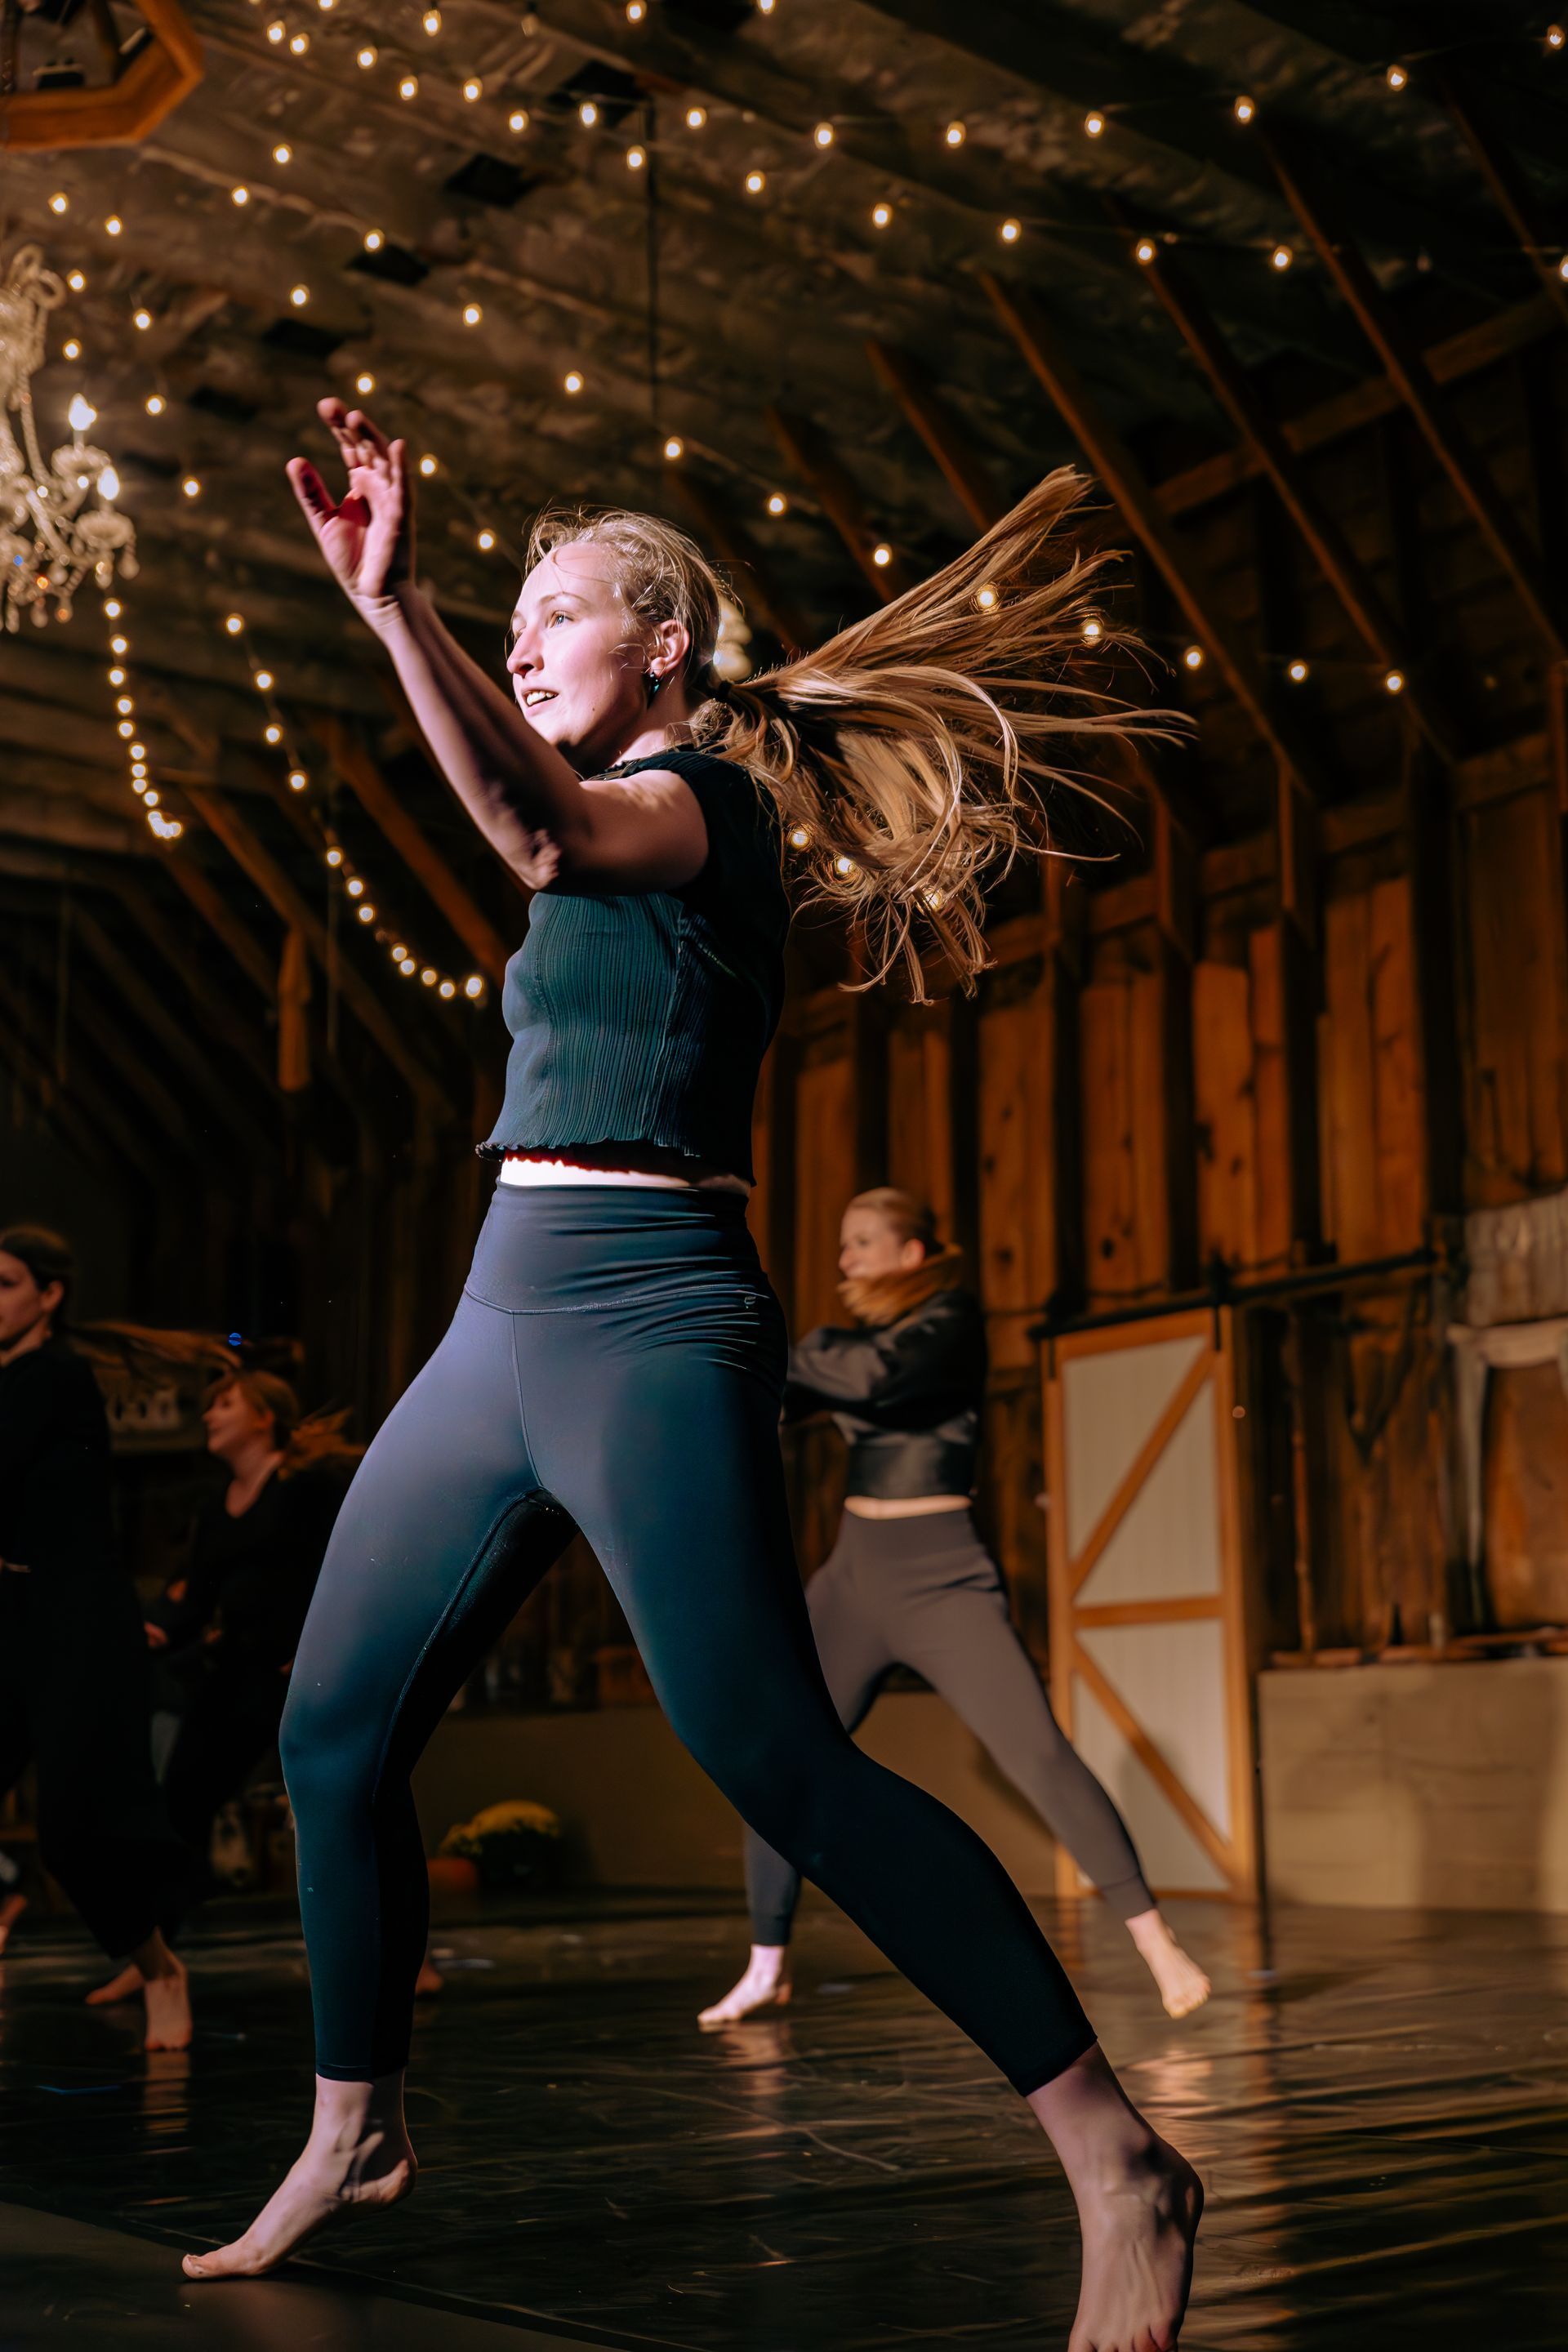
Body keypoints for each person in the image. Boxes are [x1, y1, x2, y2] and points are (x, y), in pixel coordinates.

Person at [184, 398, 1202, 2352]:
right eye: (509, 624)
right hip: (498, 1313)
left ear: (662, 647)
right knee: (329, 1735)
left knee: (772, 1756)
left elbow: (532, 824)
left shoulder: (706, 813)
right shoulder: (601, 820)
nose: (524, 640)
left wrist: (389, 610)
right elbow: (524, 823)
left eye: (555, 612)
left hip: (650, 1313)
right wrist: (413, 625)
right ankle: (350, 2121)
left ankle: (1113, 2153)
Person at [702, 1187, 1210, 2033]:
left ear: (914, 1254)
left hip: (942, 1579)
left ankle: (1158, 1944)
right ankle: (765, 1965)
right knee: (775, 1754)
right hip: (855, 1576)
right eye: (842, 1242)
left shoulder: (950, 1324)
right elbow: (779, 1399)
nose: (845, 1258)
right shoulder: (836, 1345)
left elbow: (875, 1380)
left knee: (1038, 1752)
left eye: (863, 1241)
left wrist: (770, 1347)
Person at [83, 1372, 393, 2005]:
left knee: (344, 1811)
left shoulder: (306, 1488)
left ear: (264, 1418)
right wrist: (143, 1630)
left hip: (306, 1675)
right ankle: (153, 1956)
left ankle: (400, 1958)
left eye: (224, 1404)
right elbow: (194, 1602)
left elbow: (354, 1567)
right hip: (239, 1675)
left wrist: (326, 1650)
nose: (210, 1416)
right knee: (179, 1808)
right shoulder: (214, 1505)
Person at [0, 1226, 193, 2050]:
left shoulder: (56, 1378)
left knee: (73, 1830)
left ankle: (159, 1970)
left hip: (74, 1616)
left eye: (5, 1283)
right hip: (8, 1616)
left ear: (49, 1295)